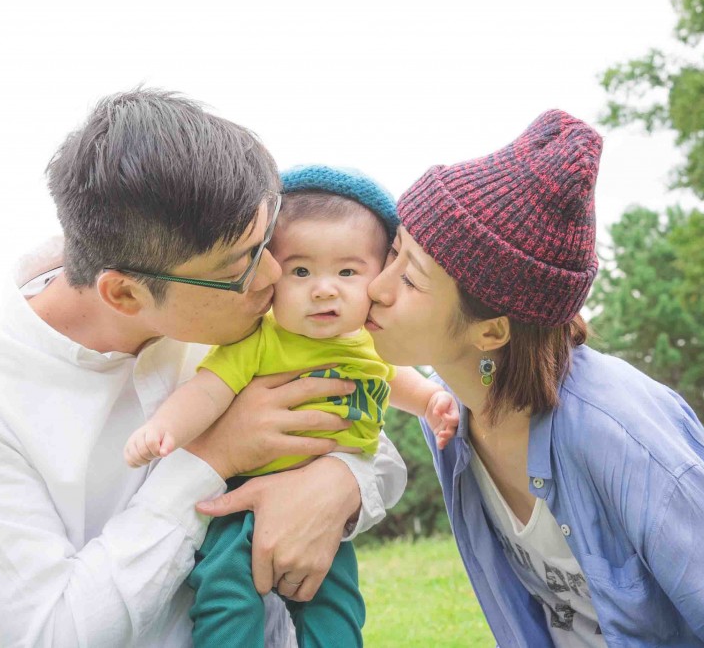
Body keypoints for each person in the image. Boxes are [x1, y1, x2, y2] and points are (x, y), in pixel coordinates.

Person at [0, 89, 407, 648]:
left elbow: (372, 442)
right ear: (126, 294)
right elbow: (51, 635)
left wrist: (336, 481)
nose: (275, 278)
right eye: (243, 268)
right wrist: (210, 458)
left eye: (268, 245)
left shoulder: (232, 312)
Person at [364, 109, 704, 646]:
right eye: (394, 251)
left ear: (492, 332)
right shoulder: (450, 418)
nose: (378, 286)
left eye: (412, 279)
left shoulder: (615, 433)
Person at [123, 166, 459, 647]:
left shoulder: (368, 342)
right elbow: (208, 391)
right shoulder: (260, 342)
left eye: (347, 272)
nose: (324, 288)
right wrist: (164, 428)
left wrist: (431, 401)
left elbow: (397, 380)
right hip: (243, 496)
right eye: (301, 271)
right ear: (270, 280)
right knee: (226, 592)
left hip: (323, 512)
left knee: (336, 604)